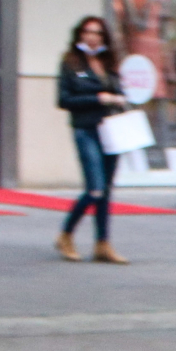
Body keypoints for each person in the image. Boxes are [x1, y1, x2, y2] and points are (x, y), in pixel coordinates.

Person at [56, 15, 130, 264]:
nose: (92, 36)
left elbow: (119, 92)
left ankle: (102, 244)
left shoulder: (108, 63)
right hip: (85, 129)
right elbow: (64, 100)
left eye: (98, 33)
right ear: (80, 35)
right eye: (88, 32)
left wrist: (119, 98)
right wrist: (99, 98)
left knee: (106, 190)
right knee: (95, 188)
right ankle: (66, 234)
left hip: (111, 130)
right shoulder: (70, 63)